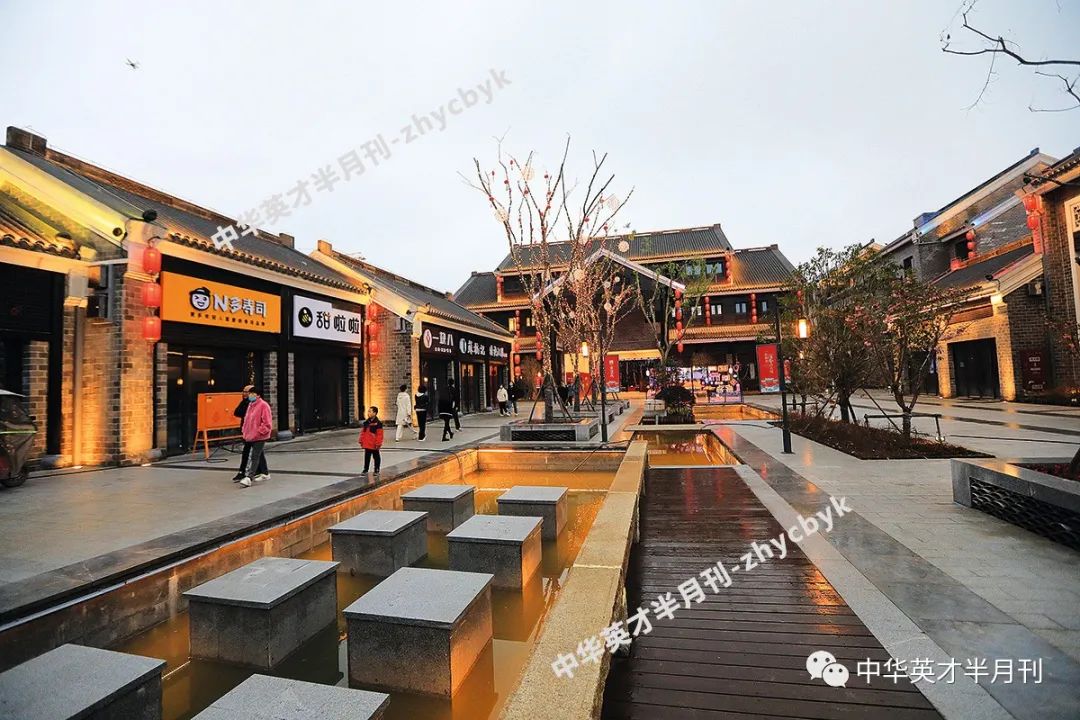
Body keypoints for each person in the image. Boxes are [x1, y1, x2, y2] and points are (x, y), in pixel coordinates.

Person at [238, 387, 272, 488]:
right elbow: (246, 420)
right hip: (250, 435)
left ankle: (249, 477)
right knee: (259, 454)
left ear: (258, 395)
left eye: (252, 393)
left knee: (254, 456)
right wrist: (245, 431)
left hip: (259, 436)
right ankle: (265, 473)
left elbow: (267, 423)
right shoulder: (250, 405)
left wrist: (259, 432)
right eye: (249, 393)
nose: (250, 395)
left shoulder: (263, 405)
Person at [231, 384, 255, 482]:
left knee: (250, 451)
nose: (244, 393)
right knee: (254, 452)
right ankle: (261, 471)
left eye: (246, 392)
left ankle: (245, 472)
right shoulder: (244, 402)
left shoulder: (255, 403)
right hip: (246, 429)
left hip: (253, 430)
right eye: (243, 391)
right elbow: (237, 412)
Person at [359, 406, 384, 476]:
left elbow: (380, 434)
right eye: (368, 411)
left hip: (374, 444)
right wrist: (361, 440)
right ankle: (365, 469)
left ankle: (376, 470)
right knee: (367, 457)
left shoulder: (378, 423)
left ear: (375, 413)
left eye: (370, 411)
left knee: (376, 457)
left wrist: (378, 443)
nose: (368, 413)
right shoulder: (366, 422)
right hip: (367, 443)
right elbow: (363, 432)